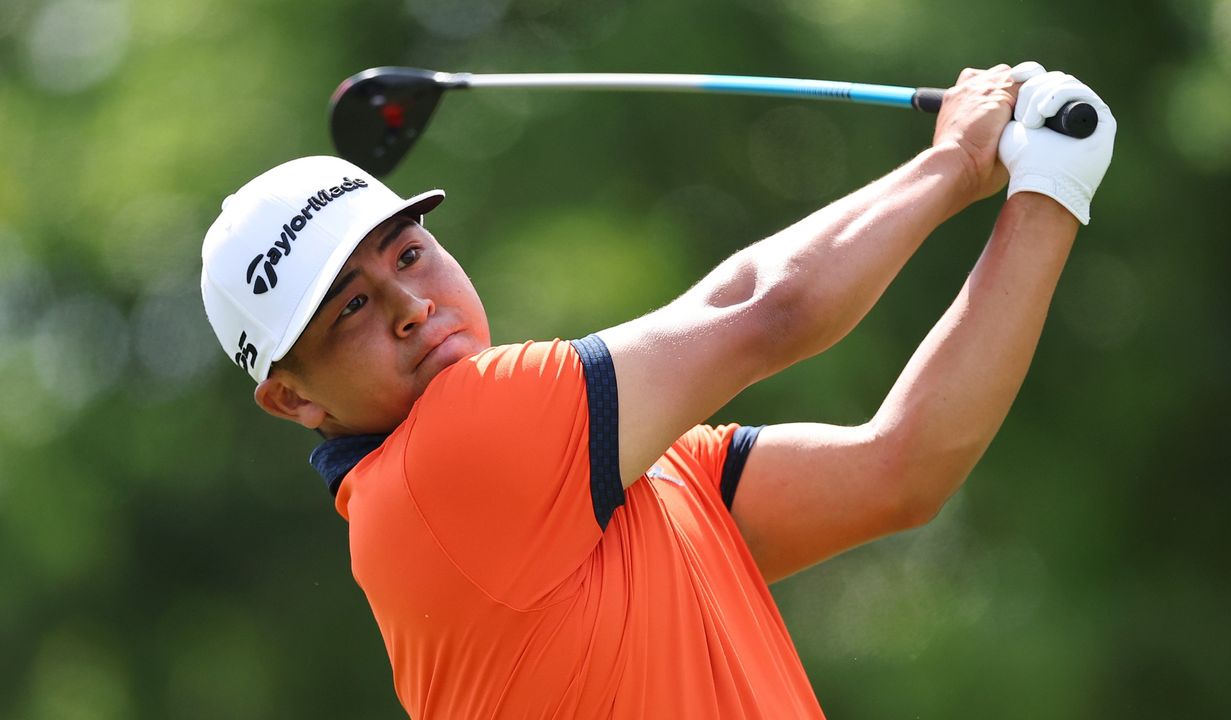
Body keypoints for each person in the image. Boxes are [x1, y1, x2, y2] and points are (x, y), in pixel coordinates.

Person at [199, 61, 1115, 718]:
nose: (409, 305)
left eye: (411, 254)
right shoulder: (445, 459)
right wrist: (955, 160)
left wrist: (1051, 188)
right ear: (294, 399)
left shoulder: (628, 469)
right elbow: (767, 308)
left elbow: (900, 470)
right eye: (351, 307)